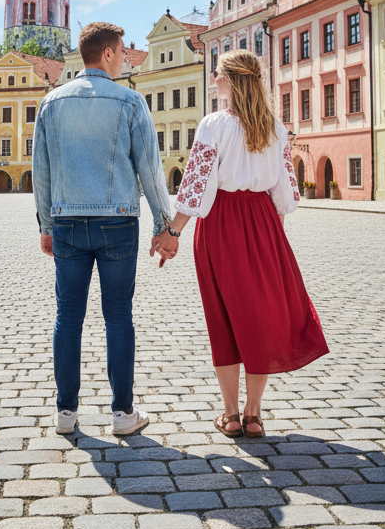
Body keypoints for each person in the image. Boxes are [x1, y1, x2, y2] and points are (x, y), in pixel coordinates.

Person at [164, 50, 328, 438]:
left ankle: (231, 414)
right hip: (264, 224)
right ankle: (254, 415)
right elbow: (285, 191)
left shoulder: (213, 124)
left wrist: (172, 233)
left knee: (222, 316)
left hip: (221, 223)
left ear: (231, 80)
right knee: (259, 316)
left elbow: (196, 184)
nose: (213, 78)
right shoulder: (275, 127)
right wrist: (273, 236)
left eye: (217, 73)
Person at [33, 21, 174, 437]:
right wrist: (164, 225)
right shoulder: (130, 101)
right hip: (117, 221)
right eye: (123, 53)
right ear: (108, 54)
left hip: (68, 221)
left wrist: (46, 224)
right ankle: (122, 414)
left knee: (68, 316)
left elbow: (42, 172)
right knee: (118, 316)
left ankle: (65, 412)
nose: (127, 59)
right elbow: (149, 169)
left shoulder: (52, 102)